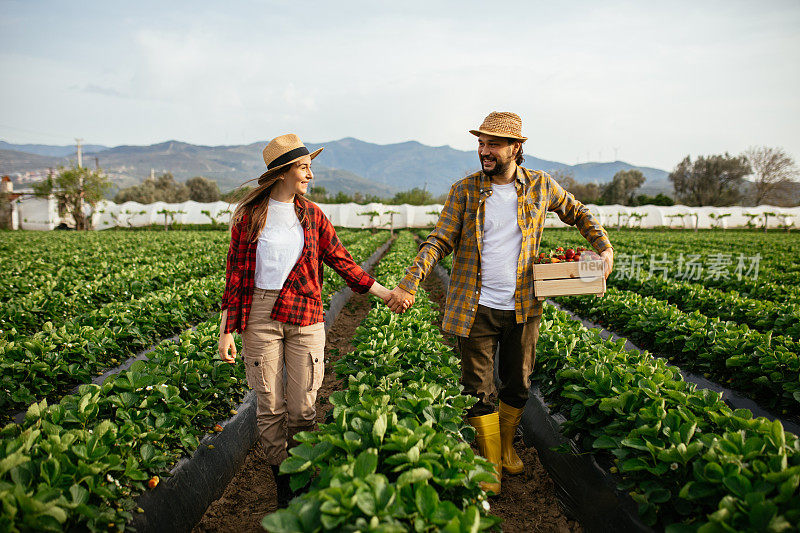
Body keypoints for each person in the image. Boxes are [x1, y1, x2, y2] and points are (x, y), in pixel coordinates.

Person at [387, 112, 614, 494]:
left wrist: (603, 248)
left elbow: (578, 212)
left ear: (516, 148)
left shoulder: (541, 186)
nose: (484, 150)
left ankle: (507, 447)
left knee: (518, 383)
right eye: (481, 143)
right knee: (477, 387)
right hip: (473, 306)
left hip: (523, 305)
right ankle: (490, 461)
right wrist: (410, 284)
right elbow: (439, 239)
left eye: (493, 144)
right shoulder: (465, 190)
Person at [218, 133, 394, 508]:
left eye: (309, 167)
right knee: (270, 405)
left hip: (305, 315)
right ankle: (286, 487)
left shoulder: (312, 215)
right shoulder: (250, 216)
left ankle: (301, 468)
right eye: (303, 167)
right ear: (283, 172)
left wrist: (384, 292)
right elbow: (234, 276)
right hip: (260, 315)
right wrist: (226, 331)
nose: (309, 175)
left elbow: (341, 259)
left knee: (302, 409)